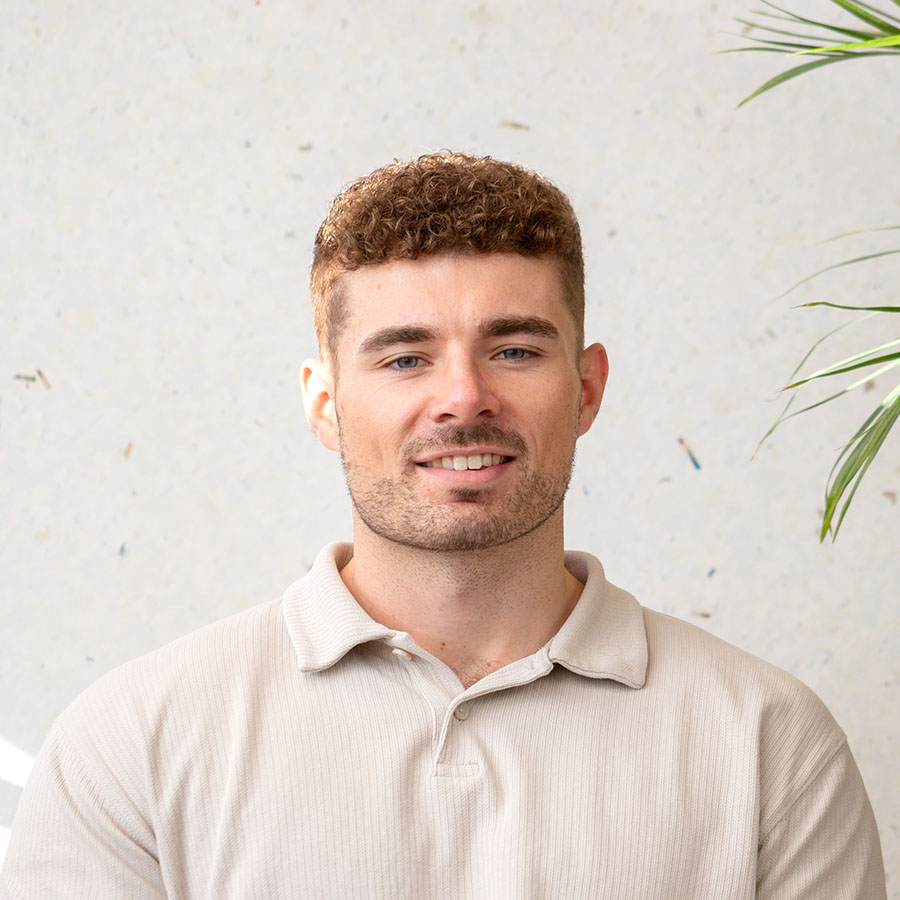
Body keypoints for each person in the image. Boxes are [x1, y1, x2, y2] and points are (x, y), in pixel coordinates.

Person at [1, 152, 886, 899]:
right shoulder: (134, 742)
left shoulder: (770, 743)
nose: (463, 398)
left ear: (586, 389)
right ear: (324, 403)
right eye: (405, 357)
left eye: (514, 349)